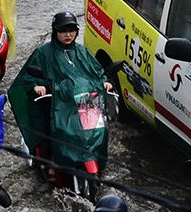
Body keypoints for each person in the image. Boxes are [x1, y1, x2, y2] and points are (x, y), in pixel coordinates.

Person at [13, 10, 116, 176]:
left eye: (71, 30)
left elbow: (97, 72)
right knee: (50, 132)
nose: (68, 34)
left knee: (98, 130)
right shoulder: (43, 52)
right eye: (63, 31)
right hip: (57, 105)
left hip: (82, 104)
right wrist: (38, 86)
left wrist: (104, 82)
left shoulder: (82, 52)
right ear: (55, 31)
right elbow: (26, 78)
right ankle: (48, 162)